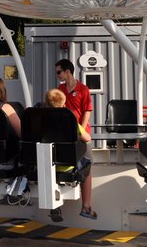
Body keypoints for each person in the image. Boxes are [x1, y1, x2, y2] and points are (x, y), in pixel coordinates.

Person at [55, 58, 97, 220]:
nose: (58, 75)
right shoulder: (60, 89)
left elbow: (87, 110)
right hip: (65, 136)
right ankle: (56, 205)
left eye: (59, 72)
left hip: (80, 134)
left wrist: (80, 129)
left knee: (87, 167)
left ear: (68, 71)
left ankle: (86, 206)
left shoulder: (83, 89)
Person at [44, 87, 93, 223]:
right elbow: (87, 138)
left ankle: (54, 206)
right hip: (67, 167)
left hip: (45, 167)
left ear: (46, 105)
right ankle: (86, 206)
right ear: (64, 105)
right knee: (87, 165)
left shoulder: (41, 122)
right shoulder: (70, 122)